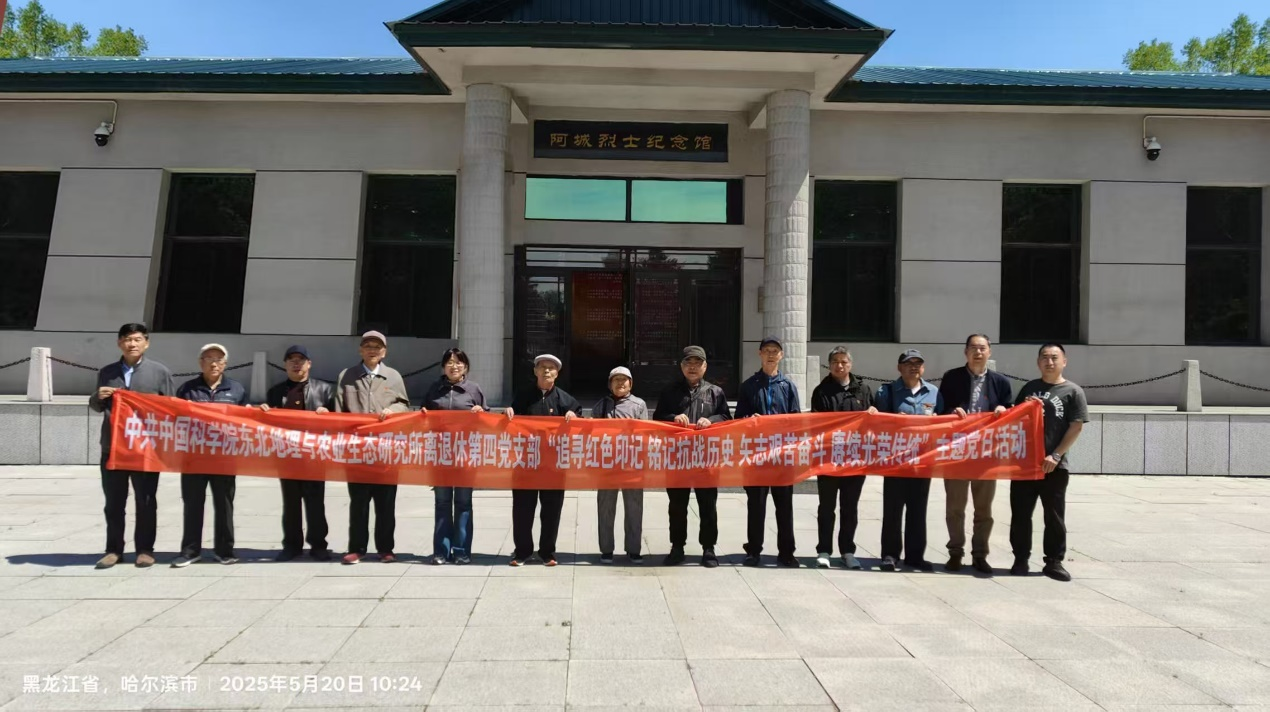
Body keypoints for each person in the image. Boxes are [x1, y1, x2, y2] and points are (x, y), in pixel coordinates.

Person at [88, 323, 175, 569]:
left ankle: (145, 550)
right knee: (113, 502)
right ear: (119, 343)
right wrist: (97, 397)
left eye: (137, 339)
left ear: (146, 343)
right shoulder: (108, 372)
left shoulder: (159, 372)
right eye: (127, 339)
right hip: (113, 448)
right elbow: (96, 406)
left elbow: (171, 408)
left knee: (146, 501)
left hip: (145, 449)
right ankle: (113, 550)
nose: (132, 344)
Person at [937, 334, 1013, 575]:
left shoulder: (1000, 382)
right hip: (958, 451)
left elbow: (1010, 410)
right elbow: (940, 409)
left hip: (986, 454)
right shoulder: (952, 377)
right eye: (973, 348)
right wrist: (952, 411)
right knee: (955, 507)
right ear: (965, 352)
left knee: (984, 509)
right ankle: (955, 553)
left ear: (990, 352)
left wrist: (1003, 410)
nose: (978, 352)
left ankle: (980, 554)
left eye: (982, 348)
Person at [1011, 343, 1088, 582]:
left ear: (1064, 361)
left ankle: (1054, 561)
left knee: (1054, 516)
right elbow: (1014, 419)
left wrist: (1056, 455)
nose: (1049, 362)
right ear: (1038, 362)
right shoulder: (1029, 388)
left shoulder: (1073, 391)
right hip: (1025, 465)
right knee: (1020, 514)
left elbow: (1076, 426)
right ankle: (1020, 559)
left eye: (1055, 357)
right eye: (1044, 357)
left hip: (1054, 466)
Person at [335, 330, 410, 564]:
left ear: (384, 352)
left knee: (385, 503)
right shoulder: (347, 376)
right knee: (358, 502)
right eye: (367, 346)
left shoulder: (393, 377)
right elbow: (339, 410)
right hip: (357, 450)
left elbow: (405, 405)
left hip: (386, 450)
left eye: (377, 347)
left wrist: (393, 410)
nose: (372, 350)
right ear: (360, 350)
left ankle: (386, 548)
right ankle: (356, 548)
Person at [170, 343, 249, 567]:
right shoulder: (187, 389)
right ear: (200, 362)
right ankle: (190, 551)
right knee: (192, 504)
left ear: (225, 364)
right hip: (194, 457)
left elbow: (246, 420)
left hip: (224, 457)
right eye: (209, 358)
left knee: (224, 505)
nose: (214, 363)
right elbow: (175, 418)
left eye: (218, 359)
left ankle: (225, 550)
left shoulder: (236, 389)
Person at [653, 346, 732, 568]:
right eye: (689, 363)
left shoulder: (715, 392)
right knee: (677, 505)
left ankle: (709, 549)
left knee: (708, 505)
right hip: (677, 458)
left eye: (698, 363)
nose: (693, 367)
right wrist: (673, 417)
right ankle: (677, 547)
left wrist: (712, 420)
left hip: (705, 458)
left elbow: (726, 417)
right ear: (682, 366)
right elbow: (658, 418)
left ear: (705, 367)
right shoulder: (670, 391)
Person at [261, 345, 335, 562]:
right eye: (291, 360)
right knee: (290, 502)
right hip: (287, 455)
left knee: (315, 502)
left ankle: (318, 545)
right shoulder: (276, 392)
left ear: (309, 364)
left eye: (301, 360)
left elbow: (339, 420)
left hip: (314, 455)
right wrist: (262, 412)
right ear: (285, 365)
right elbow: (267, 423)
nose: (296, 364)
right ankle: (291, 545)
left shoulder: (324, 390)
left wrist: (327, 413)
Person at [505, 354, 579, 567]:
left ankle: (547, 552)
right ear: (535, 371)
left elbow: (580, 423)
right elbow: (511, 420)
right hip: (526, 462)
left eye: (551, 368)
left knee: (551, 511)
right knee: (522, 509)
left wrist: (574, 417)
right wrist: (508, 412)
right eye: (542, 367)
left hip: (553, 465)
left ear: (557, 373)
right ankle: (522, 552)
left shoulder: (565, 399)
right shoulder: (523, 395)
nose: (547, 371)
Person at [876, 349, 943, 573]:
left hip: (922, 461)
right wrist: (894, 421)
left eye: (918, 363)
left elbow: (945, 421)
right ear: (899, 367)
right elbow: (877, 424)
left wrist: (938, 421)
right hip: (896, 461)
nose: (913, 367)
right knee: (892, 510)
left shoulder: (933, 392)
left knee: (918, 510)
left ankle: (915, 556)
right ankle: (890, 555)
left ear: (923, 368)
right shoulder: (887, 392)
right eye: (908, 363)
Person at [736, 336, 802, 568]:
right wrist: (750, 419)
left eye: (775, 351)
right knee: (756, 505)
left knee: (784, 506)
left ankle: (787, 552)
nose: (771, 354)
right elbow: (739, 419)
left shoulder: (788, 386)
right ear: (760, 354)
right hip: (756, 456)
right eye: (767, 350)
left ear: (781, 355)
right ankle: (754, 550)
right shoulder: (749, 385)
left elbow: (796, 420)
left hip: (781, 456)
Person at [810, 346, 874, 570]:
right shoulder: (821, 391)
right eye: (835, 361)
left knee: (850, 507)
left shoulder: (862, 390)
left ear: (850, 364)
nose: (839, 365)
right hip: (828, 458)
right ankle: (824, 550)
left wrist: (873, 413)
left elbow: (874, 422)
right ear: (829, 365)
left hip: (855, 459)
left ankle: (848, 551)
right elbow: (816, 423)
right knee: (826, 507)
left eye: (843, 362)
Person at [423, 347, 488, 565]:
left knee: (463, 503)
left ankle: (461, 551)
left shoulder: (473, 390)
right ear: (443, 367)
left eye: (459, 362)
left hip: (465, 456)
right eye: (449, 362)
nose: (454, 366)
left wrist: (481, 413)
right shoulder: (434, 389)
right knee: (442, 503)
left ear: (465, 367)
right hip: (440, 455)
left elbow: (487, 420)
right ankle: (441, 551)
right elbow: (422, 417)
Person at [592, 366, 648, 565]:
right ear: (610, 384)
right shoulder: (601, 405)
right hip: (607, 465)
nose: (620, 383)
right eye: (616, 380)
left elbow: (645, 434)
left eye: (624, 380)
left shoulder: (639, 405)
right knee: (605, 508)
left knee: (634, 508)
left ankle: (633, 549)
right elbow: (591, 432)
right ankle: (606, 549)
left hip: (632, 465)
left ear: (630, 384)